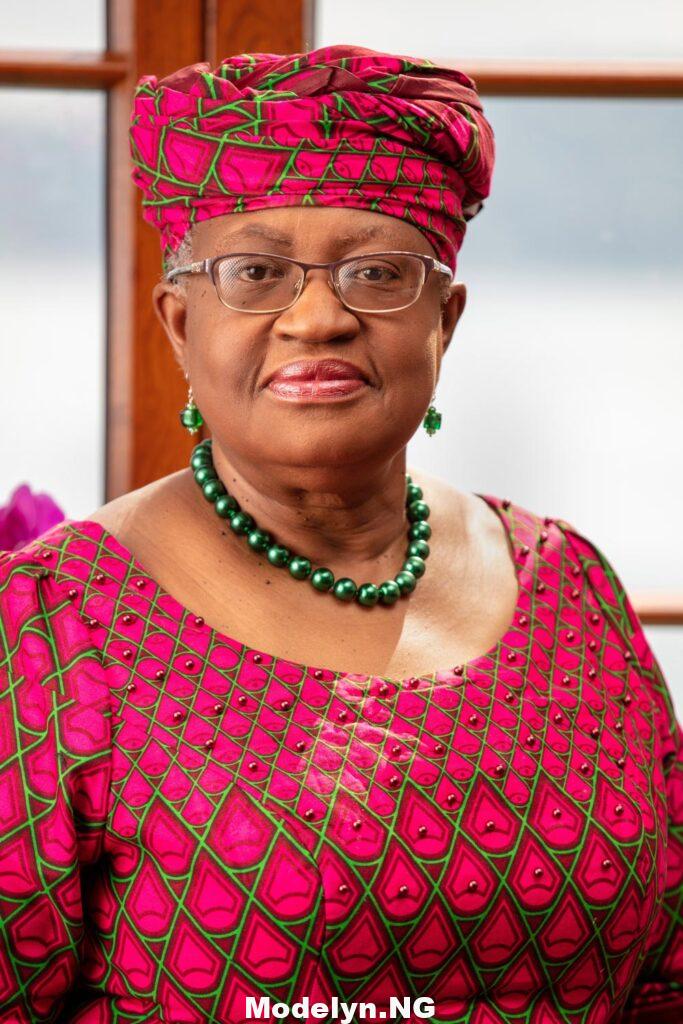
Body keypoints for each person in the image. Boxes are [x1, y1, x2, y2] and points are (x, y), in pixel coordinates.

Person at [0, 44, 680, 1024]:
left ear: (445, 320)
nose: (317, 317)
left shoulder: (565, 582)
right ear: (180, 324)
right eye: (256, 272)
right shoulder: (52, 620)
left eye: (376, 272)